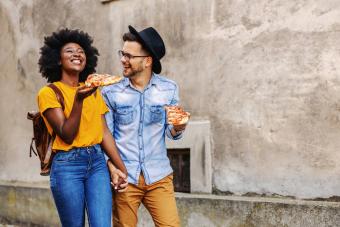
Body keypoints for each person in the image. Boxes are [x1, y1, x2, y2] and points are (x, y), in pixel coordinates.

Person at [37, 28, 128, 227]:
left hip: (96, 163)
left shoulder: (94, 91)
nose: (77, 54)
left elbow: (104, 132)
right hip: (67, 165)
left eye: (81, 51)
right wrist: (78, 100)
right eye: (69, 51)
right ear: (58, 59)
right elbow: (67, 134)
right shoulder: (48, 93)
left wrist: (122, 169)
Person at [102, 25, 188, 227]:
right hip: (124, 178)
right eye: (122, 54)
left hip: (158, 176)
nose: (123, 59)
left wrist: (180, 127)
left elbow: (171, 131)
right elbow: (105, 136)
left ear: (147, 61)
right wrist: (112, 168)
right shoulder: (110, 92)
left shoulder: (169, 88)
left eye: (129, 56)